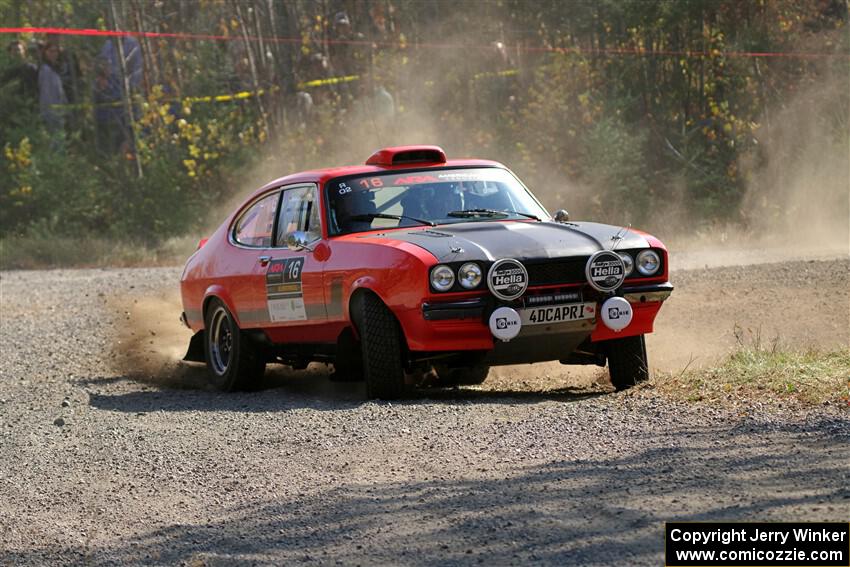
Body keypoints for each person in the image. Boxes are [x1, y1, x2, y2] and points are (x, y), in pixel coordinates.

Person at [38, 40, 68, 142]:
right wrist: (50, 111)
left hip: (59, 111)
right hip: (50, 112)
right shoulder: (45, 70)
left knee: (60, 139)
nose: (54, 54)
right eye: (51, 51)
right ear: (45, 53)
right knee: (54, 141)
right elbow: (46, 93)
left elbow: (59, 91)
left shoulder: (55, 69)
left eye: (56, 51)